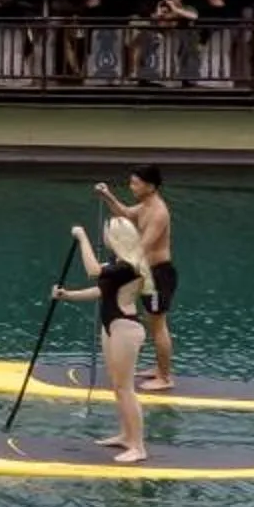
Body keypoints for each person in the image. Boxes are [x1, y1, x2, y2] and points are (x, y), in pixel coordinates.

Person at [50, 216, 157, 463]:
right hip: (111, 327)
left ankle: (138, 447)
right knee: (117, 386)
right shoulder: (117, 263)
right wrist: (68, 295)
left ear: (117, 237)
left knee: (126, 388)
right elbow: (101, 289)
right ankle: (126, 436)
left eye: (107, 232)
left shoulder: (129, 266)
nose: (104, 235)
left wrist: (82, 237)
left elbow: (92, 271)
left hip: (125, 328)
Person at [95, 165, 177, 390]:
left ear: (150, 186)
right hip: (146, 273)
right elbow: (125, 213)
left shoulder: (158, 212)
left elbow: (142, 247)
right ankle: (158, 368)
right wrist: (107, 196)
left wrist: (112, 268)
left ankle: (165, 378)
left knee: (158, 325)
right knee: (153, 323)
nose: (131, 187)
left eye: (135, 183)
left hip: (159, 274)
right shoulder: (145, 206)